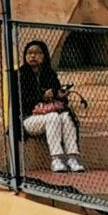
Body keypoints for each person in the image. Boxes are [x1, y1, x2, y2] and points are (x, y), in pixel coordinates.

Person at [17, 39, 84, 173]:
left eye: (37, 53)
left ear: (44, 55)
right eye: (29, 53)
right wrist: (41, 97)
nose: (33, 56)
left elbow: (60, 101)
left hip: (51, 116)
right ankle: (57, 159)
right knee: (53, 116)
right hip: (28, 118)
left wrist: (60, 95)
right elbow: (19, 100)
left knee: (65, 116)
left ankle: (72, 157)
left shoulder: (49, 73)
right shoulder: (19, 74)